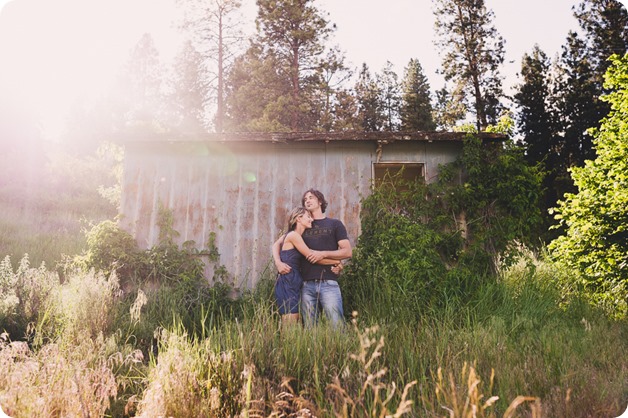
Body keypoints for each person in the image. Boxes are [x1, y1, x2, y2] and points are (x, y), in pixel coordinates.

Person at [273, 189, 352, 328]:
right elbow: (277, 244)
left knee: (336, 325)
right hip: (305, 284)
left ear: (320, 201)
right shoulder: (302, 226)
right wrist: (278, 263)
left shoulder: (334, 224)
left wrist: (326, 256)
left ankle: (342, 350)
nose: (307, 200)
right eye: (305, 199)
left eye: (311, 197)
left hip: (328, 283)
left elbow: (347, 252)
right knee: (309, 328)